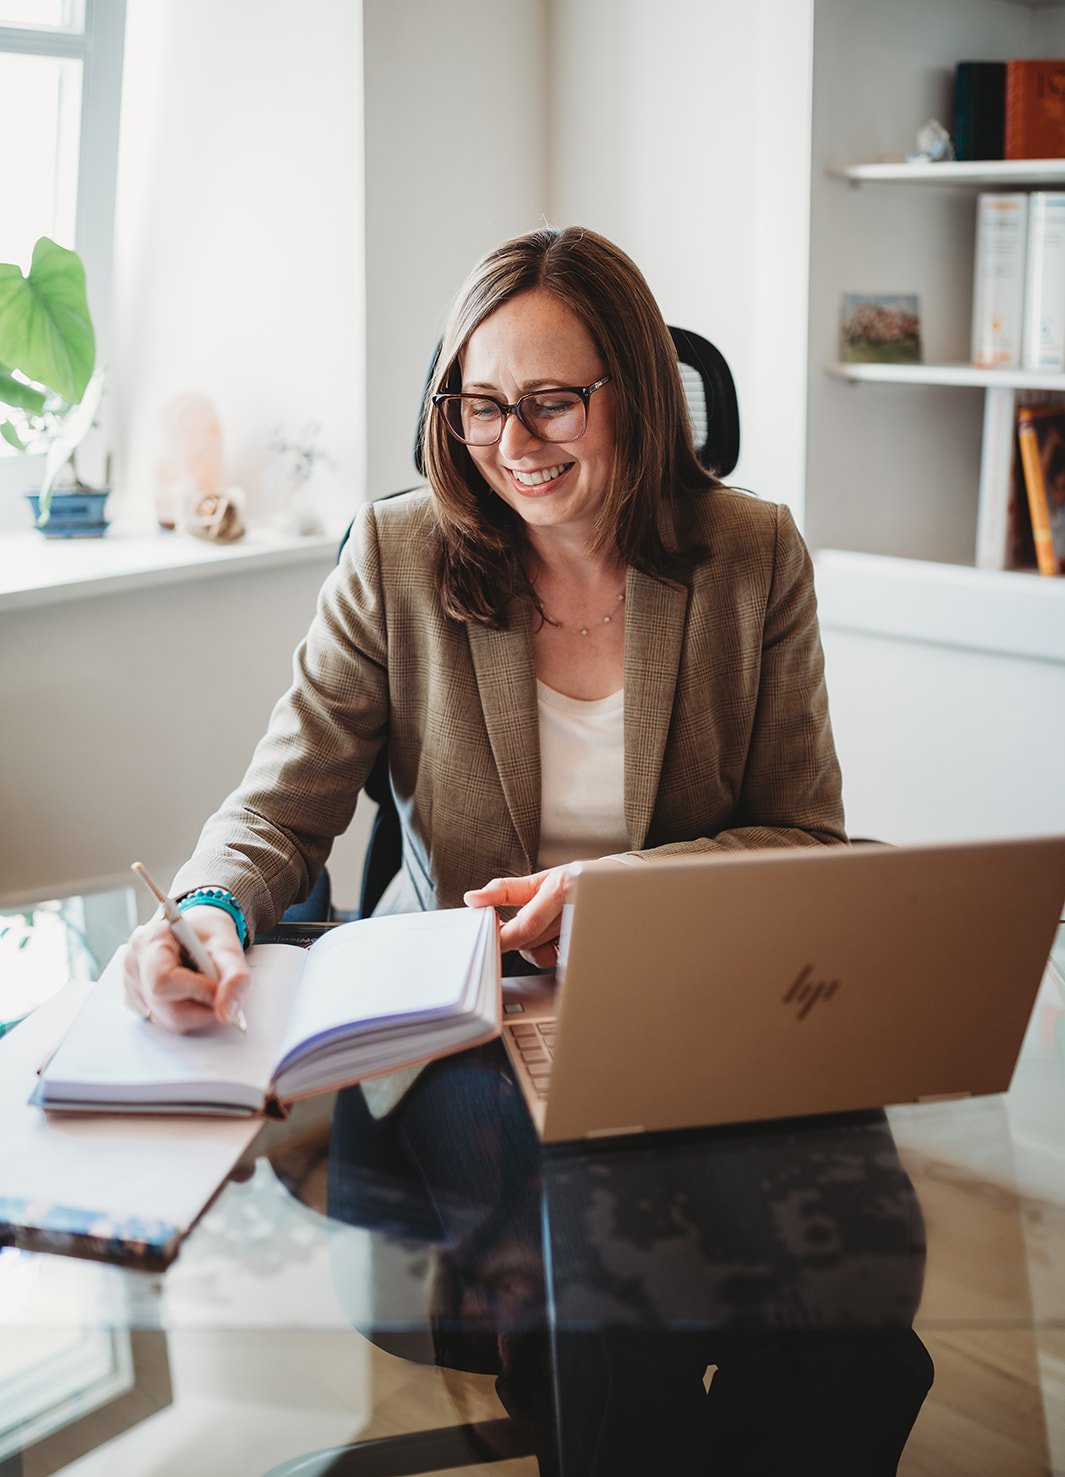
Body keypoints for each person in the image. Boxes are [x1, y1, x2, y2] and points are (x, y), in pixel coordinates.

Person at [124, 224, 846, 1057]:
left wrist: (617, 891)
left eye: (550, 403)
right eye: (481, 405)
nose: (512, 444)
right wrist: (206, 908)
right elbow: (279, 811)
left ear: (639, 393)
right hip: (449, 1010)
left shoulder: (754, 555)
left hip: (689, 994)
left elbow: (805, 837)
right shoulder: (395, 554)